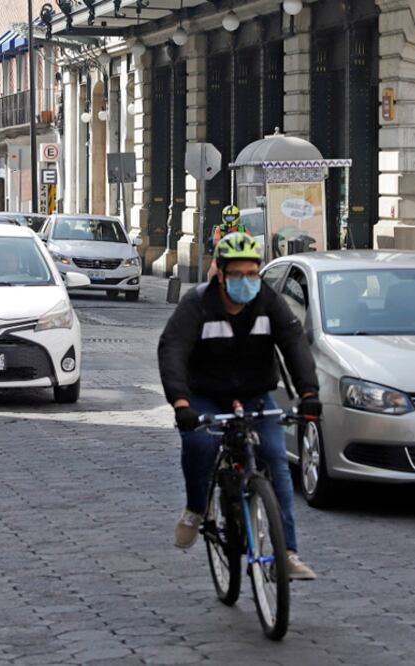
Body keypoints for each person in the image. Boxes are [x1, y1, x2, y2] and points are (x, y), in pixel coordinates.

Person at [158, 232, 322, 581]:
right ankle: (196, 508)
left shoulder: (268, 301)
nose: (245, 282)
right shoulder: (197, 304)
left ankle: (286, 554)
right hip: (205, 394)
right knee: (200, 444)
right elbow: (172, 349)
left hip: (254, 393)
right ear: (219, 273)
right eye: (236, 275)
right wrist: (181, 404)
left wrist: (308, 393)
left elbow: (293, 340)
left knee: (276, 461)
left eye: (252, 274)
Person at [207, 205, 248, 279]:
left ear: (236, 217)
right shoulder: (220, 229)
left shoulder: (242, 229)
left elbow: (250, 242)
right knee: (213, 270)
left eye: (231, 217)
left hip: (239, 257)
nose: (230, 219)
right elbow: (216, 242)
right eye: (228, 217)